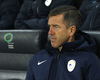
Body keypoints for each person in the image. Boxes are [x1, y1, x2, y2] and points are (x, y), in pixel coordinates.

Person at [25, 5, 100, 80]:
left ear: (71, 30)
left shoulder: (89, 60)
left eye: (56, 27)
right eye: (49, 26)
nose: (50, 32)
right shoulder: (38, 57)